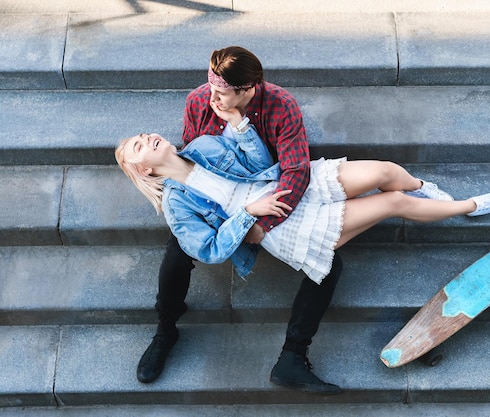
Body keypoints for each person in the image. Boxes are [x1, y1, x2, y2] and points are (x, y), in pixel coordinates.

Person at [132, 46, 457, 394]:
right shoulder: (199, 101)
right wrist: (237, 219)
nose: (212, 97)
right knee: (177, 253)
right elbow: (195, 156)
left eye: (222, 93)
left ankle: (292, 357)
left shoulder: (278, 104)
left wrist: (263, 224)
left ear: (247, 89)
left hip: (271, 192)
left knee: (328, 265)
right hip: (220, 205)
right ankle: (166, 328)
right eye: (210, 88)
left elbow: (295, 170)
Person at [116, 120, 490, 393]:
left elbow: (261, 163)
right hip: (282, 226)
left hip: (293, 187)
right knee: (392, 202)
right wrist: (246, 215)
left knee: (385, 172)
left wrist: (240, 128)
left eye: (144, 134)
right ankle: (474, 205)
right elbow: (206, 249)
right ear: (144, 171)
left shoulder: (202, 147)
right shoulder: (177, 205)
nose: (147, 137)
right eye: (138, 146)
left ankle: (428, 190)